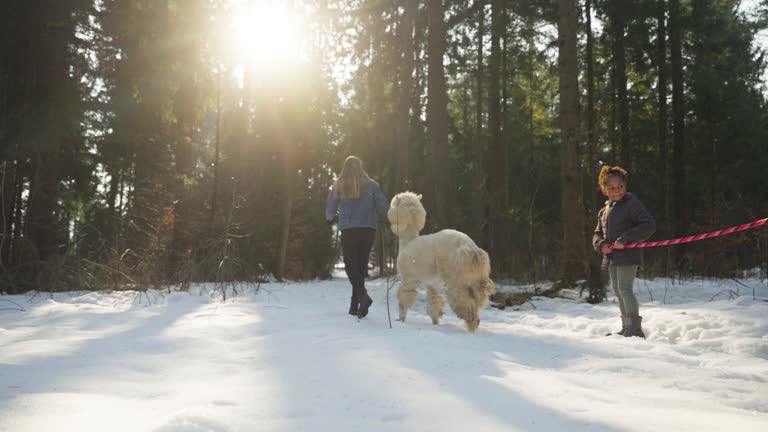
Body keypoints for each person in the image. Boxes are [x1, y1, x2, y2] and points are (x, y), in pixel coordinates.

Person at [592, 165, 656, 338]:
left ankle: (635, 329)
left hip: (628, 255)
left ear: (625, 186)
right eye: (611, 188)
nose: (617, 190)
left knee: (625, 288)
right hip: (612, 257)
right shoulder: (603, 211)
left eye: (620, 186)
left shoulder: (632, 204)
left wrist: (626, 239)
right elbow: (597, 233)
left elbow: (648, 225)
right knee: (618, 291)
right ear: (604, 190)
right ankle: (626, 327)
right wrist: (601, 244)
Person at [326, 156, 389, 319]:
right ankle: (355, 307)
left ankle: (363, 296)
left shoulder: (339, 185)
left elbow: (330, 209)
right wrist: (388, 217)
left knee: (350, 267)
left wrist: (330, 218)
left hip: (349, 230)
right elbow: (383, 207)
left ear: (344, 168)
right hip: (368, 229)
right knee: (360, 268)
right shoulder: (372, 185)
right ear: (361, 167)